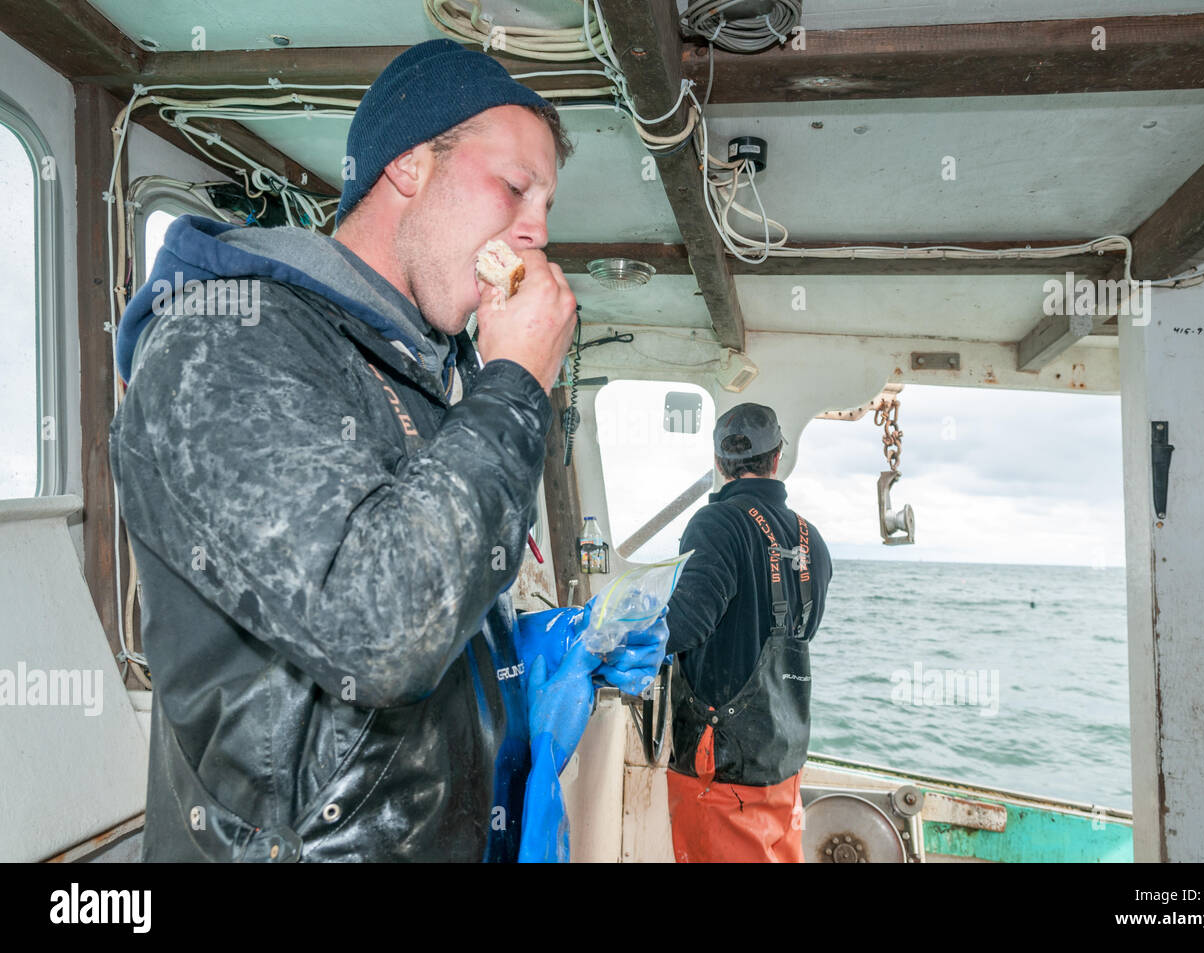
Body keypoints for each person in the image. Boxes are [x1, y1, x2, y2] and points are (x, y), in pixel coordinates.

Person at [108, 38, 664, 862]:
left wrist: (533, 657)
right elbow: (381, 628)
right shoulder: (225, 340)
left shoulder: (424, 373)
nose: (538, 230)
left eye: (546, 203)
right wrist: (513, 380)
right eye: (515, 187)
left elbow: (437, 599)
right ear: (410, 166)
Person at [663, 403, 833, 862]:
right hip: (783, 761)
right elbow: (804, 632)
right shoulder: (812, 538)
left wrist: (614, 634)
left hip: (723, 769)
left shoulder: (716, 523)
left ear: (721, 463)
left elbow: (684, 624)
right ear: (777, 457)